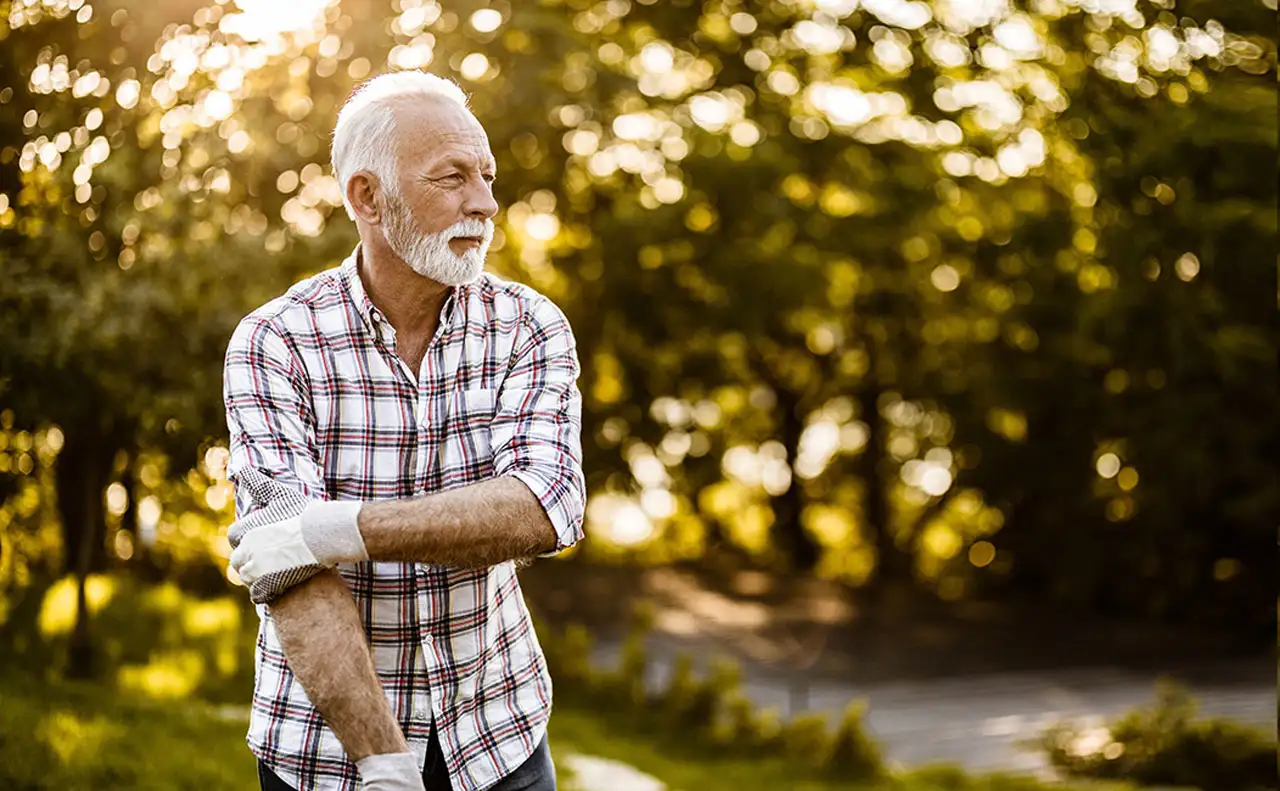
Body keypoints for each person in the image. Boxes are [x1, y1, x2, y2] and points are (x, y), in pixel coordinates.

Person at [222, 70, 585, 791]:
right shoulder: (275, 341)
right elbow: (290, 573)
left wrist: (339, 528)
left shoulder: (529, 326)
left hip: (497, 736)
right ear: (368, 197)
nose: (484, 203)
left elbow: (548, 506)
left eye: (486, 176)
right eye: (451, 177)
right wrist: (383, 762)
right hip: (327, 755)